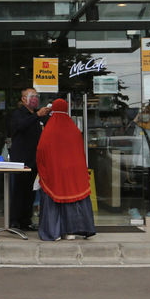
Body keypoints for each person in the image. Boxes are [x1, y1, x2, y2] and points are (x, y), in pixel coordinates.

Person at [36, 99, 96, 242]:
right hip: (73, 171)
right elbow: (80, 151)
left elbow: (41, 150)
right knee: (73, 199)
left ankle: (54, 232)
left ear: (53, 110)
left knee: (54, 200)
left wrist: (43, 168)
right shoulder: (74, 129)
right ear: (67, 109)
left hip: (55, 171)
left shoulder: (49, 129)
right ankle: (71, 231)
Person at [8, 88, 50, 230]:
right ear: (24, 99)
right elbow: (20, 126)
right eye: (32, 96)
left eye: (37, 96)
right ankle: (14, 220)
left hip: (35, 159)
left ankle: (26, 220)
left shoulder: (39, 116)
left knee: (30, 192)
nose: (35, 99)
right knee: (19, 190)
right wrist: (37, 115)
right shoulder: (19, 114)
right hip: (21, 159)